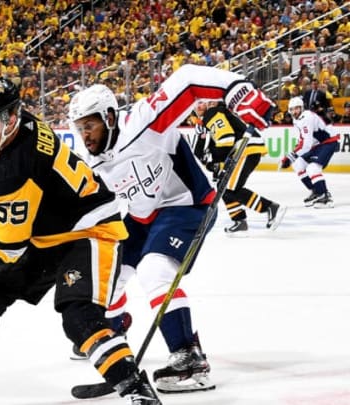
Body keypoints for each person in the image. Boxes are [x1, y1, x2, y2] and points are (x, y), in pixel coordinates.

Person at [0, 76, 162, 405]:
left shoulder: (13, 168)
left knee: (80, 319)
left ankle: (139, 394)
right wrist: (4, 205)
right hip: (46, 232)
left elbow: (5, 247)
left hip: (90, 231)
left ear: (10, 119)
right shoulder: (22, 123)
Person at [66, 64, 275, 395]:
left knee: (154, 271)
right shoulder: (90, 159)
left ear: (108, 117)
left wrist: (238, 89)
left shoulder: (144, 122)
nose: (85, 134)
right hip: (141, 216)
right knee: (105, 273)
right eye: (80, 128)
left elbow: (188, 80)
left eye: (89, 125)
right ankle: (115, 328)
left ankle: (190, 360)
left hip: (187, 204)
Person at [200, 100, 287, 234]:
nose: (203, 105)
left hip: (245, 149)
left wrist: (217, 163)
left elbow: (226, 139)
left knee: (229, 188)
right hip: (245, 148)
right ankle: (239, 220)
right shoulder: (220, 113)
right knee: (223, 187)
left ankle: (269, 207)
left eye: (206, 101)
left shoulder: (212, 113)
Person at [280, 96, 339, 208]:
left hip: (328, 141)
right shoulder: (296, 120)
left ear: (302, 108)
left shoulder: (306, 117)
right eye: (292, 109)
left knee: (312, 168)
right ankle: (316, 191)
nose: (294, 111)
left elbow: (306, 145)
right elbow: (301, 141)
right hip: (317, 144)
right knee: (298, 165)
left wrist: (290, 157)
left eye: (297, 108)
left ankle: (325, 196)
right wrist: (292, 156)